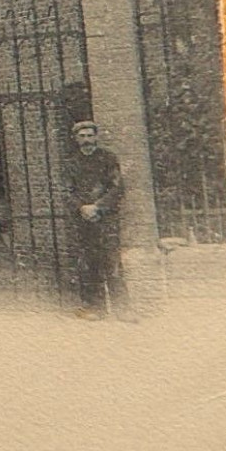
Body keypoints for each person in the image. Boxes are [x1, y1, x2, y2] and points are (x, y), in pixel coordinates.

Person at [67, 120, 134, 321]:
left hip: (106, 219)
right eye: (82, 136)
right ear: (76, 139)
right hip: (83, 220)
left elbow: (117, 188)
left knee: (112, 262)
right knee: (89, 263)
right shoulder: (71, 164)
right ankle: (94, 308)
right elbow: (68, 192)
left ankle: (123, 309)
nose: (86, 140)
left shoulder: (108, 159)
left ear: (96, 137)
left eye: (90, 135)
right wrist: (82, 208)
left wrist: (98, 207)